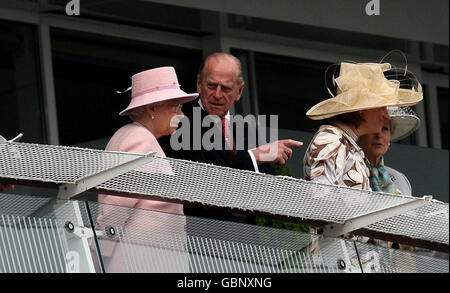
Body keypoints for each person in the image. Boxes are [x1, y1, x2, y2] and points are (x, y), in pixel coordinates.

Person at [96, 66, 198, 272]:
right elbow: (116, 206)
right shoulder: (138, 140)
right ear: (152, 109)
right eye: (176, 107)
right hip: (144, 263)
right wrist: (97, 254)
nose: (182, 115)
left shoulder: (130, 135)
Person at [160, 52, 303, 174]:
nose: (217, 94)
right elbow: (202, 175)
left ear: (239, 91)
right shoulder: (178, 121)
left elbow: (265, 179)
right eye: (211, 85)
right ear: (199, 84)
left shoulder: (246, 131)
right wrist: (255, 156)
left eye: (225, 88)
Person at [303, 61, 423, 191]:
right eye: (381, 107)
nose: (386, 116)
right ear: (361, 109)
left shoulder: (347, 145)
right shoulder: (330, 139)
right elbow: (320, 201)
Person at [359, 106, 420, 196]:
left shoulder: (399, 178)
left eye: (385, 129)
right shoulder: (348, 171)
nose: (379, 135)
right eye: (373, 127)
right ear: (360, 134)